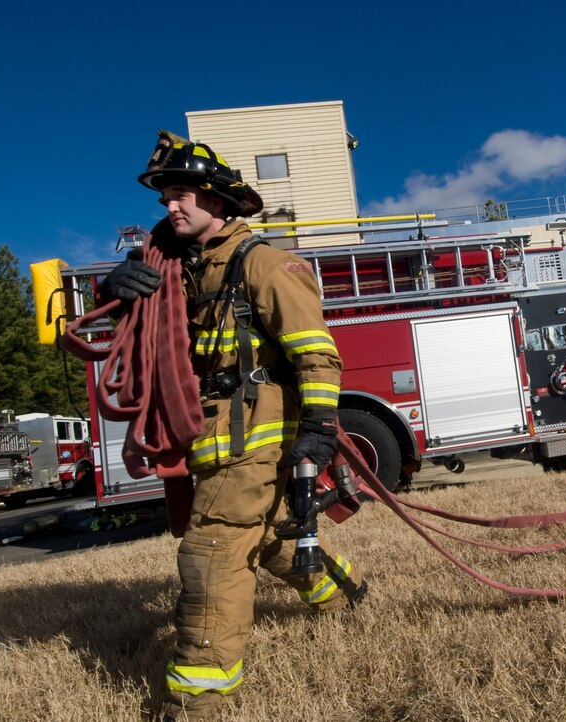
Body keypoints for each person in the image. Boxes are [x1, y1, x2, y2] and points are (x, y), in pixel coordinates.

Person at [103, 131, 367, 720]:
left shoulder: (265, 265)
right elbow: (144, 333)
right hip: (208, 435)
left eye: (183, 196)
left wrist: (319, 428)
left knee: (214, 550)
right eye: (166, 197)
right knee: (261, 536)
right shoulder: (178, 267)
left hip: (257, 434)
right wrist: (112, 288)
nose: (171, 207)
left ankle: (200, 694)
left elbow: (316, 354)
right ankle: (339, 589)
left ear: (218, 201)